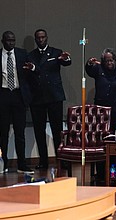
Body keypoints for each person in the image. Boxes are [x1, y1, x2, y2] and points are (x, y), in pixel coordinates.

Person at [24, 29, 71, 170]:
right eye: (38, 38)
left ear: (47, 38)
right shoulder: (30, 55)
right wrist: (32, 68)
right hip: (37, 98)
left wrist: (67, 59)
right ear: (35, 39)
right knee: (39, 131)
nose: (41, 40)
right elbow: (32, 73)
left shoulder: (56, 52)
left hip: (54, 97)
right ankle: (43, 161)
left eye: (43, 37)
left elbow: (66, 62)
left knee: (58, 131)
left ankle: (61, 159)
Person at [0, 31, 34, 174]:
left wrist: (31, 68)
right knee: (3, 132)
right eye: (8, 40)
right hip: (3, 94)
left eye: (13, 40)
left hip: (19, 96)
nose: (11, 43)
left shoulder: (21, 53)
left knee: (20, 132)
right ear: (3, 41)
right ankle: (4, 164)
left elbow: (31, 72)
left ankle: (22, 164)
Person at [85, 48, 116, 132]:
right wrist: (89, 63)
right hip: (101, 111)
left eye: (111, 60)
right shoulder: (99, 69)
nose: (109, 63)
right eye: (106, 61)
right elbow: (89, 71)